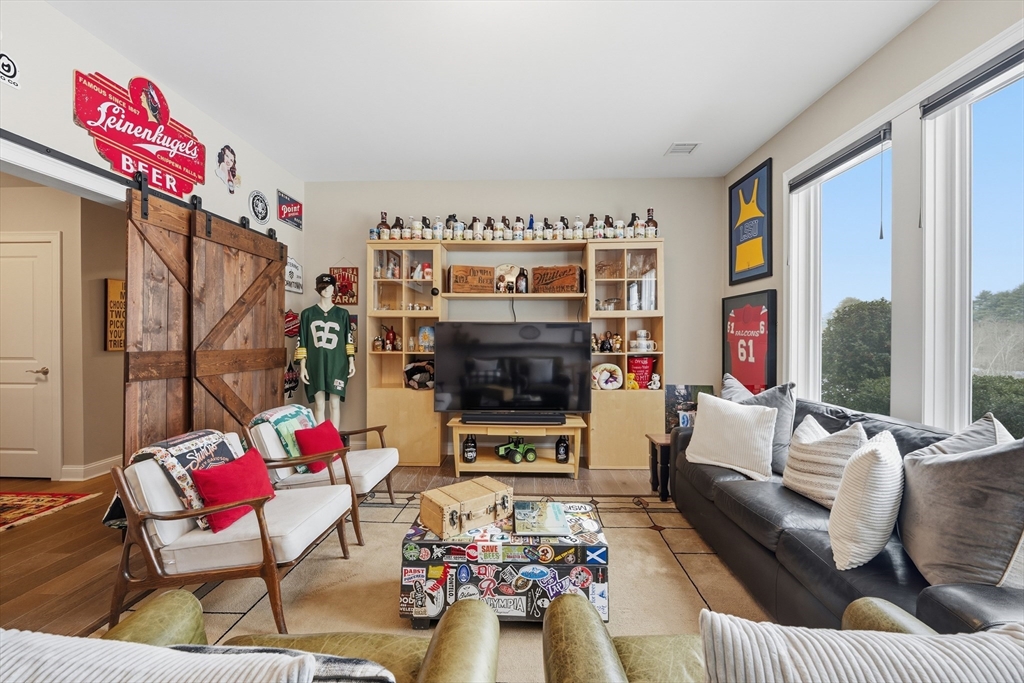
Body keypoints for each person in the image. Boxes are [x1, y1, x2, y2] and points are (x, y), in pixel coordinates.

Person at [293, 273, 356, 429]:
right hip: (316, 364)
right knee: (319, 404)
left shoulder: (342, 314)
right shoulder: (308, 314)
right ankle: (322, 443)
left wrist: (351, 361)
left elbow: (349, 338)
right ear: (317, 289)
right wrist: (302, 367)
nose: (326, 290)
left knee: (335, 403)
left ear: (334, 289)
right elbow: (302, 341)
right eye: (322, 287)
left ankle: (334, 441)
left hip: (337, 364)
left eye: (329, 287)